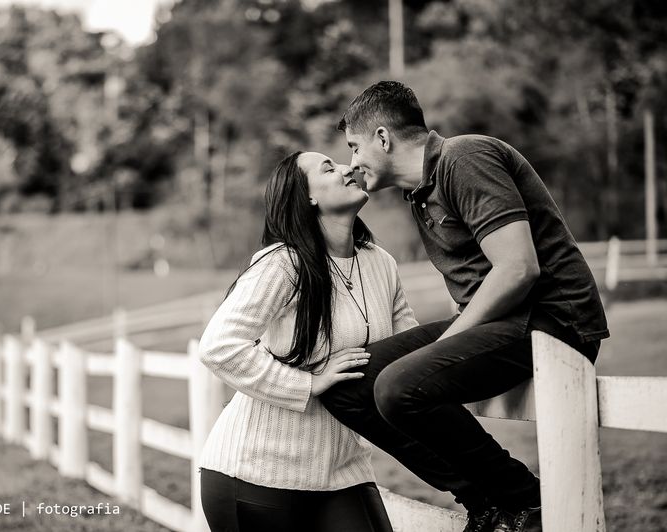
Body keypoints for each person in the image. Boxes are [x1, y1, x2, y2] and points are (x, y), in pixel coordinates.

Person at [319, 81, 609, 532]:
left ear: (382, 137)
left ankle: (526, 501)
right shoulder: (420, 192)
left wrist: (447, 343)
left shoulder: (463, 157)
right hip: (503, 322)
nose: (352, 162)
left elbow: (518, 269)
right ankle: (486, 503)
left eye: (354, 146)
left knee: (399, 385)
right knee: (348, 385)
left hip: (553, 321)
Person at [197, 151, 419, 532]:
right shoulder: (283, 264)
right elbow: (220, 346)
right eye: (328, 168)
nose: (348, 167)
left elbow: (410, 346)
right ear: (307, 197)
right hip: (255, 471)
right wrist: (309, 383)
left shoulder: (381, 263)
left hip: (342, 469)